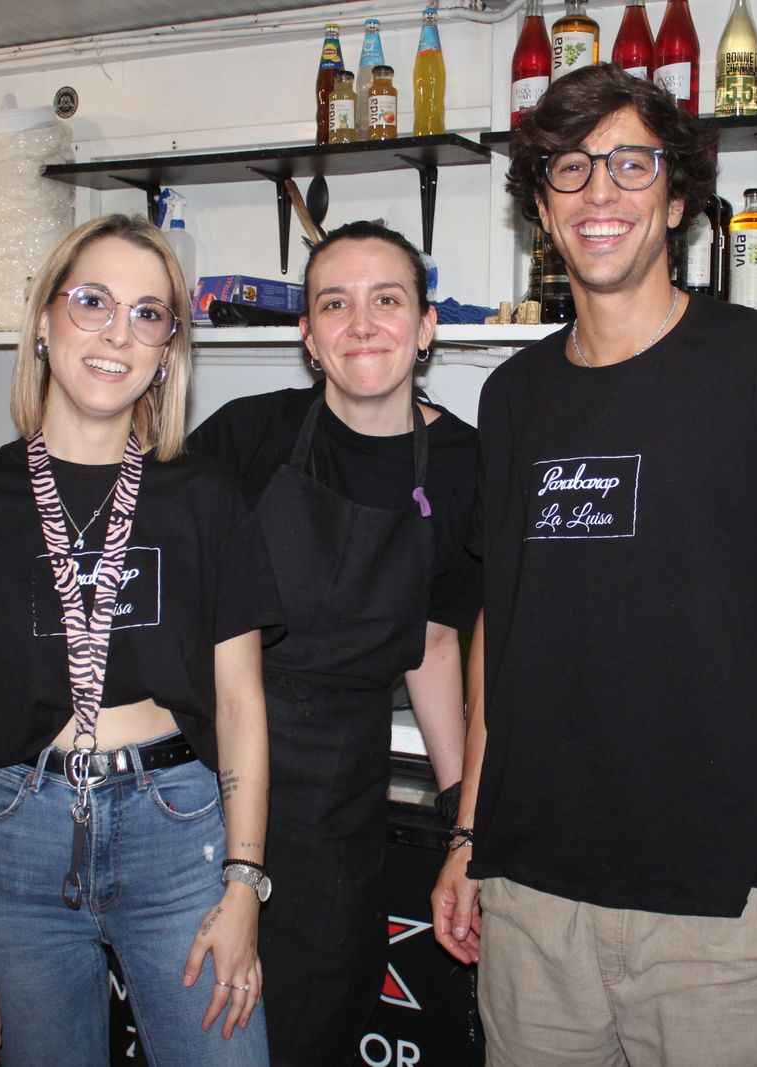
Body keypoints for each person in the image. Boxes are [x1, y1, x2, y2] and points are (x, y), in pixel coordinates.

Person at [431, 65, 757, 1066]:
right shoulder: (513, 398)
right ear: (539, 206)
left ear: (679, 196)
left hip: (728, 916)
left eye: (629, 164)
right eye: (569, 168)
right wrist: (469, 834)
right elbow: (502, 636)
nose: (598, 193)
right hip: (533, 907)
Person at [0, 213, 280, 1067]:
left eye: (148, 313)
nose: (116, 333)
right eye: (92, 301)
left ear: (169, 346)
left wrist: (245, 883)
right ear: (43, 320)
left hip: (178, 831)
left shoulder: (207, 502)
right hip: (14, 835)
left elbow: (243, 704)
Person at [190, 220, 481, 1067]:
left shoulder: (463, 463)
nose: (362, 323)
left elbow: (432, 641)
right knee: (200, 1023)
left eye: (386, 300)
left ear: (425, 327)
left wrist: (464, 817)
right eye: (335, 303)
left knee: (312, 1023)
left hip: (337, 800)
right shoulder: (247, 438)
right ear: (308, 336)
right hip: (211, 780)